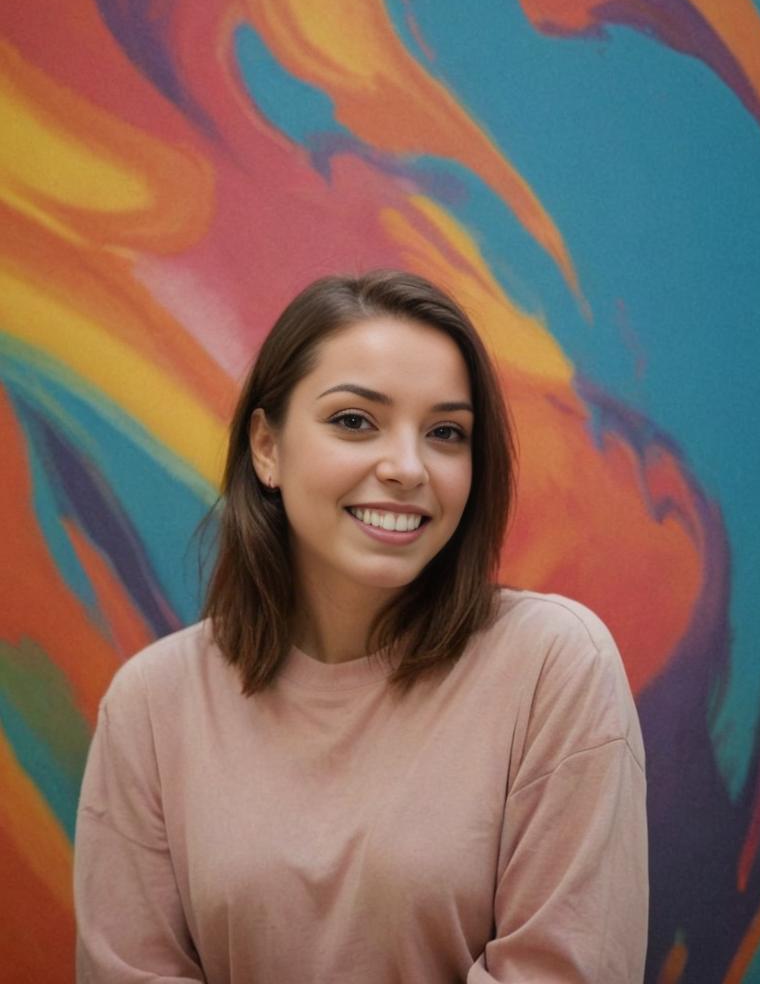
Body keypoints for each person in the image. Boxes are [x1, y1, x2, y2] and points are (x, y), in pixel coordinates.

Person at [73, 269, 648, 982]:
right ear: (266, 447)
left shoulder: (554, 666)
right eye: (355, 421)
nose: (407, 467)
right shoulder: (150, 707)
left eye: (445, 433)